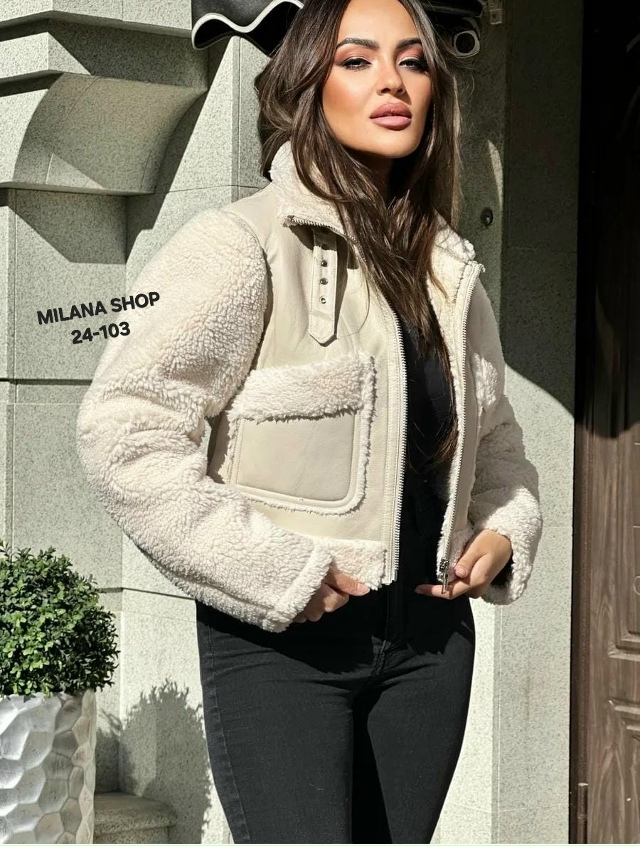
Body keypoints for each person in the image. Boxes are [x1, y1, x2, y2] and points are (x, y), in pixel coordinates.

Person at [76, 0, 543, 841]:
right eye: (357, 60)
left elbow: (496, 439)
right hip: (283, 646)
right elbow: (125, 432)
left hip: (431, 645)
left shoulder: (449, 269)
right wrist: (275, 572)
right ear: (306, 87)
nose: (393, 82)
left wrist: (505, 528)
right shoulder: (241, 244)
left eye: (413, 61)